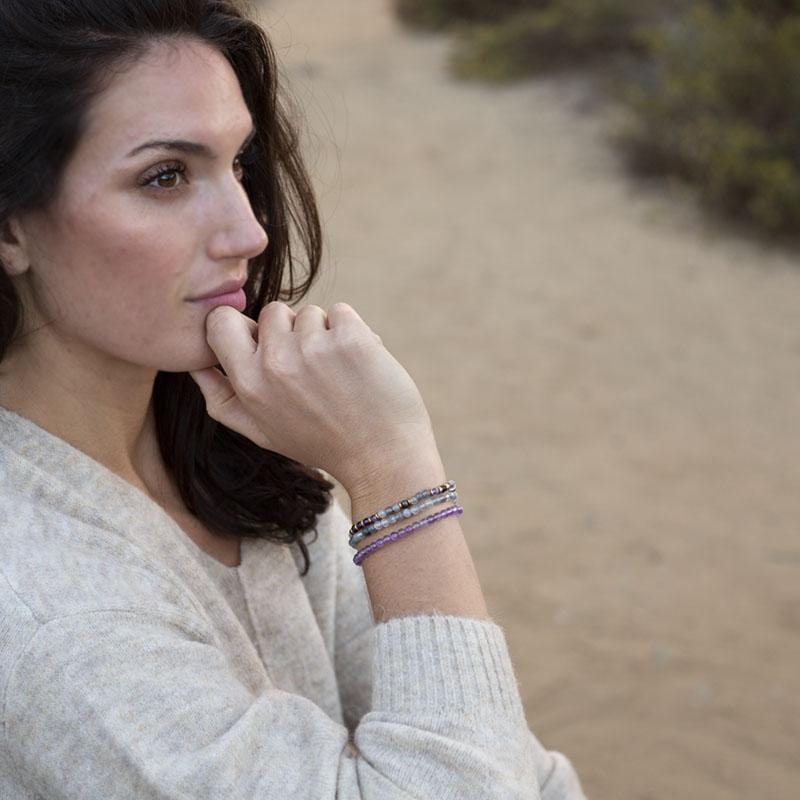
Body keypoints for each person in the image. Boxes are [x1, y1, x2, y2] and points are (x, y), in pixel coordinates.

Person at [0, 1, 587, 797]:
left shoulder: (226, 440)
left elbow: (505, 759)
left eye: (237, 163)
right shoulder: (46, 611)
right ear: (11, 229)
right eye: (166, 176)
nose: (249, 232)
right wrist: (394, 472)